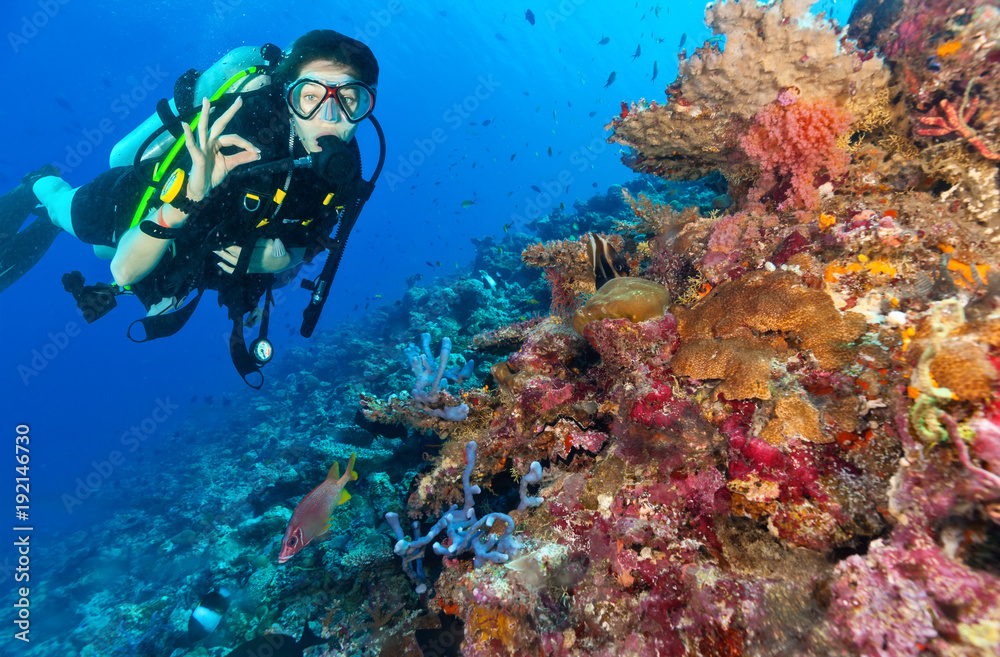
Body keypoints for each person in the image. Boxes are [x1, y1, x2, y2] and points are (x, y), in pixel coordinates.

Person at [0, 30, 381, 383]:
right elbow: (125, 270)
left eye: (349, 100)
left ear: (367, 104)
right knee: (72, 219)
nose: (330, 118)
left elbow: (313, 237)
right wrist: (190, 197)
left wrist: (280, 260)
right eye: (311, 96)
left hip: (190, 254)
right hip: (134, 205)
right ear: (287, 94)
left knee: (106, 254)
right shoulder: (230, 133)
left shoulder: (345, 169)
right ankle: (38, 184)